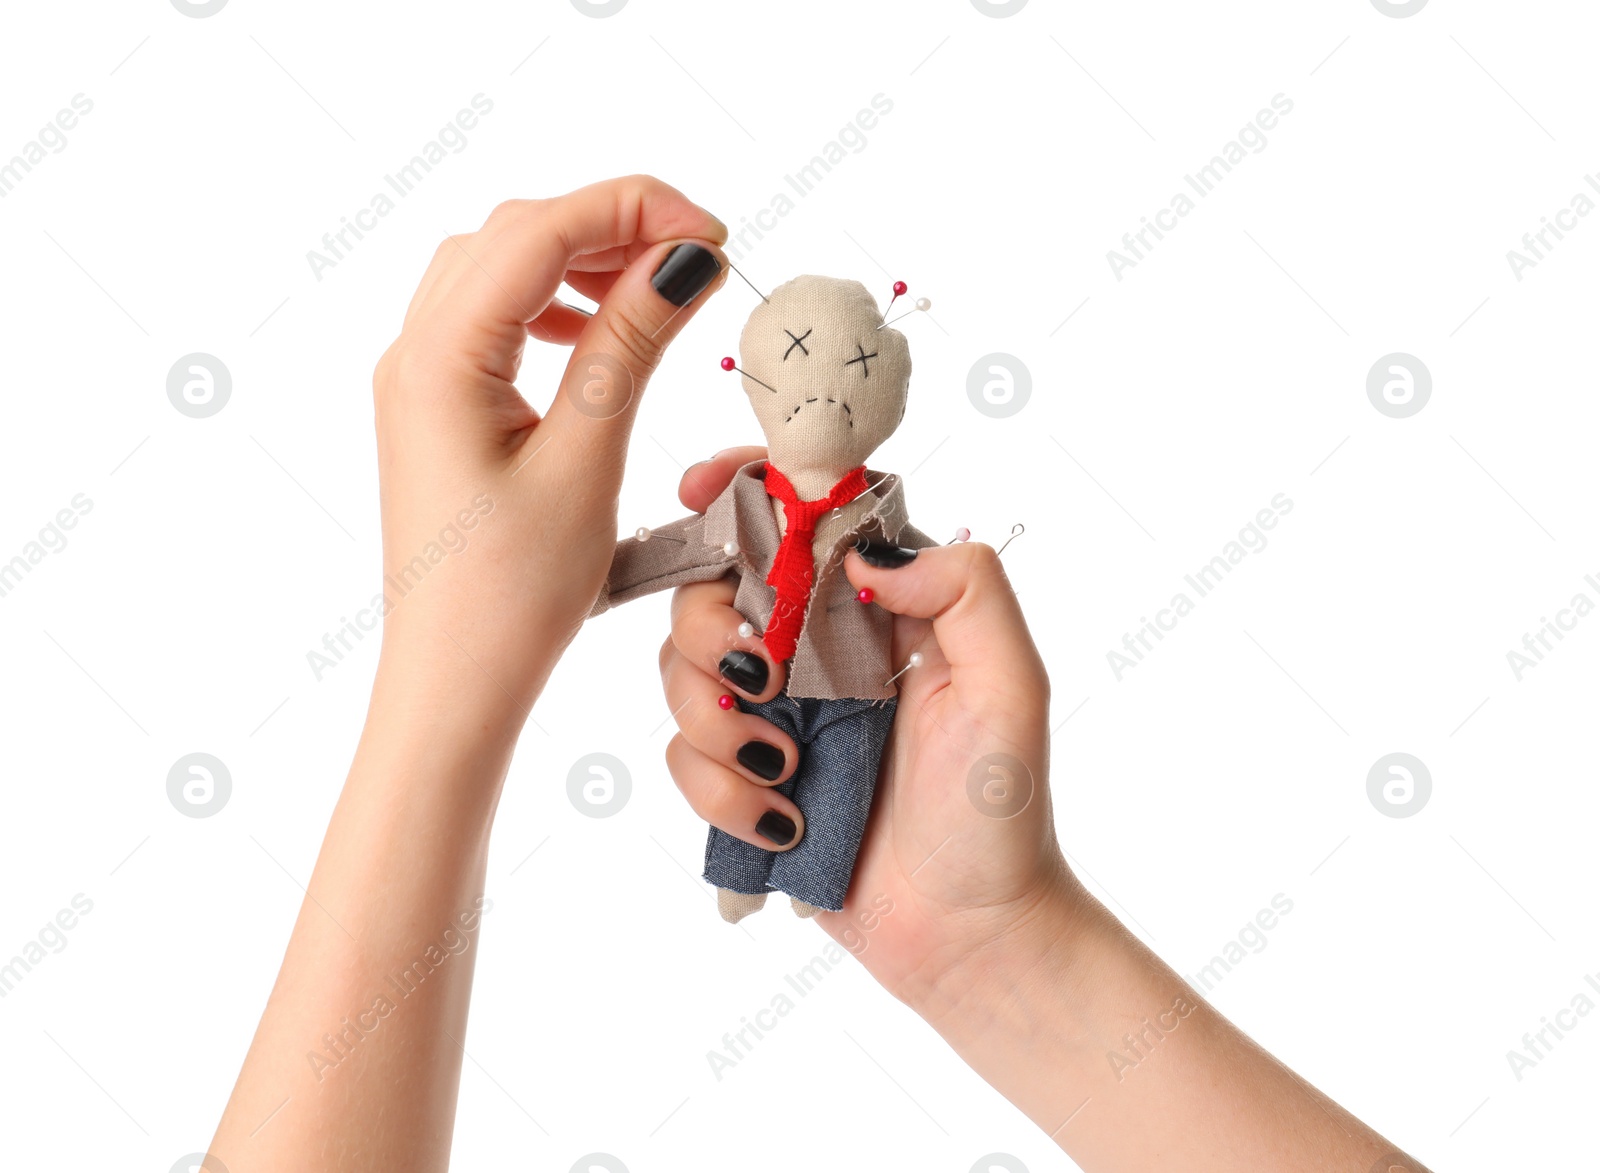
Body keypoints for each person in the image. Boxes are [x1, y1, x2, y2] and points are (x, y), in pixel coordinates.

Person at [205, 175, 1428, 1172]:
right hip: (758, 675)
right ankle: (745, 874)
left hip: (850, 688)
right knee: (755, 765)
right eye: (795, 365)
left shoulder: (880, 512)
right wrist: (584, 584)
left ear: (883, 391)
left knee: (821, 780)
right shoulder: (747, 498)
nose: (819, 385)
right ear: (749, 376)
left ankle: (799, 865)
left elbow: (906, 570)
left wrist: (446, 673)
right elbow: (689, 547)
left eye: (844, 372)